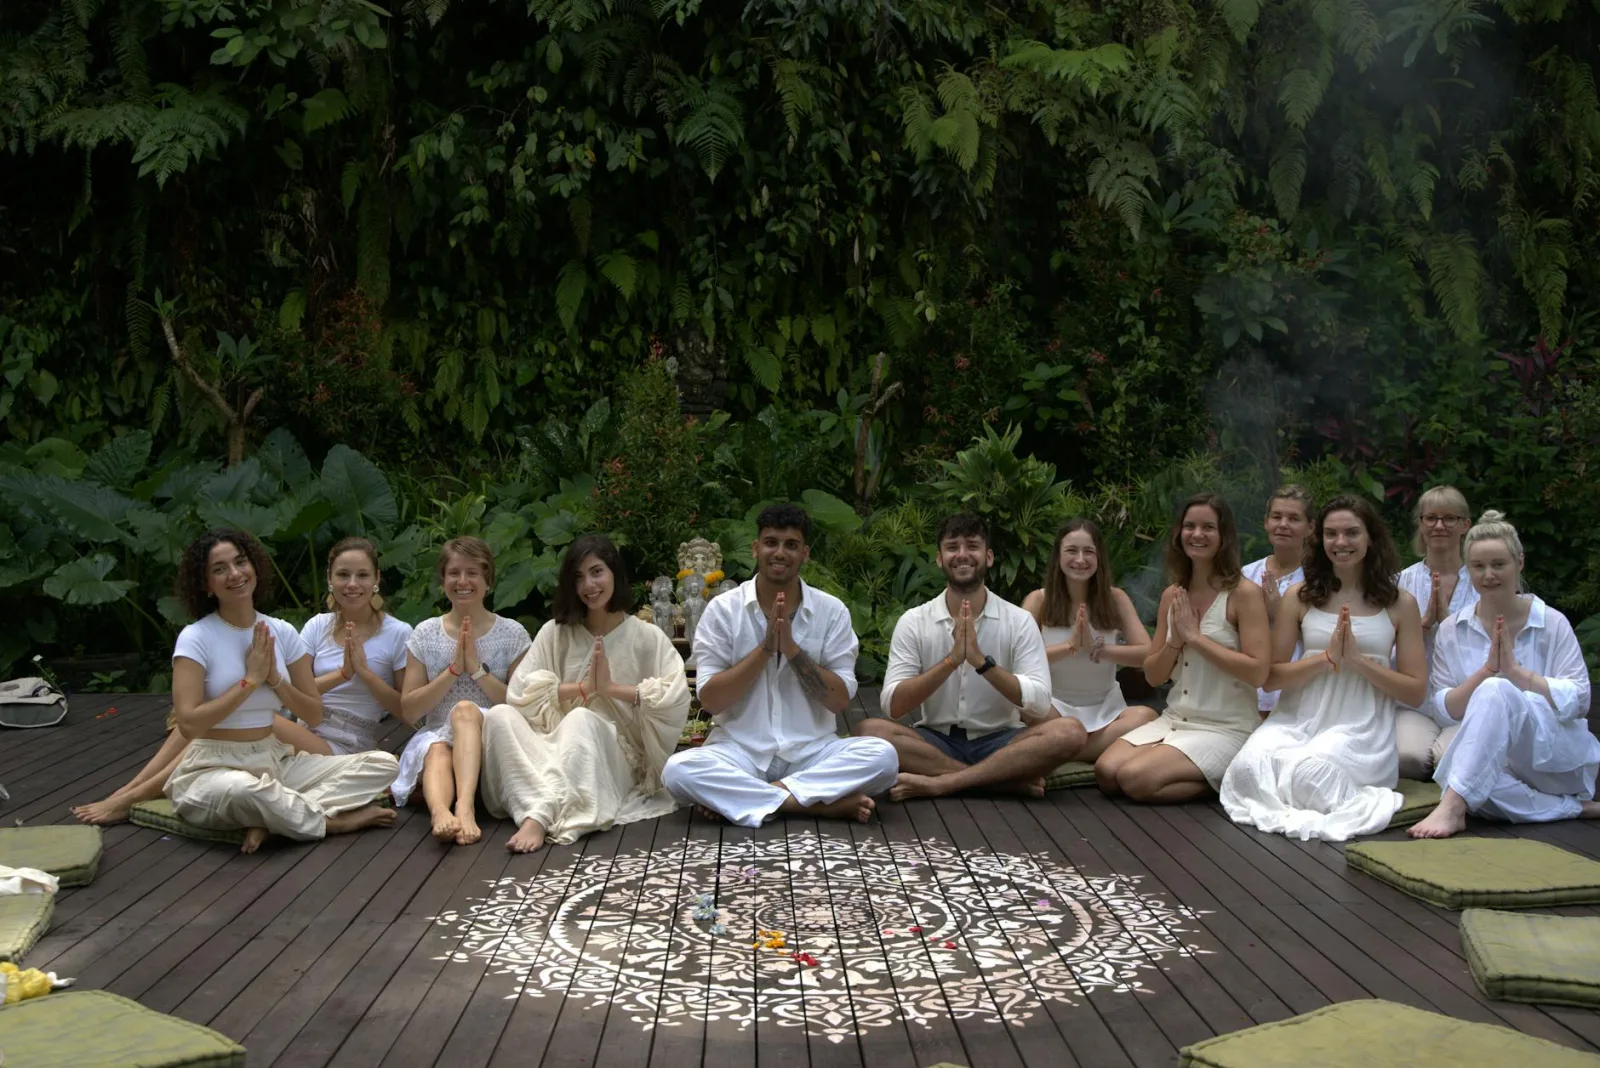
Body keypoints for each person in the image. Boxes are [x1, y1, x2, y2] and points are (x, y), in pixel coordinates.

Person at [158, 529, 398, 853]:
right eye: (219, 569)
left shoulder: (282, 632)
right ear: (206, 585)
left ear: (254, 567)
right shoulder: (196, 637)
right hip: (213, 768)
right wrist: (249, 681)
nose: (234, 574)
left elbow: (312, 712)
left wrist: (274, 680)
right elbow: (188, 724)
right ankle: (327, 821)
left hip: (274, 759)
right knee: (245, 791)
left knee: (383, 765)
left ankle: (275, 817)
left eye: (240, 562)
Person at [660, 503, 897, 826]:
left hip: (812, 752)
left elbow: (840, 700)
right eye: (771, 542)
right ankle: (809, 804)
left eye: (791, 545)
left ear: (805, 554)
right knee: (677, 772)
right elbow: (712, 701)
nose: (780, 553)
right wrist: (765, 649)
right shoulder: (723, 611)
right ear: (757, 549)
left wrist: (792, 650)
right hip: (739, 751)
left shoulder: (831, 612)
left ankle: (758, 797)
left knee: (883, 758)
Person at [1220, 496, 1428, 841]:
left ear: (1370, 538)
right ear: (1320, 540)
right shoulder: (1299, 596)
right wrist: (1325, 659)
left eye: (1351, 533)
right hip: (1297, 717)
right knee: (1246, 768)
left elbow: (1415, 691)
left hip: (1359, 727)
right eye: (1331, 534)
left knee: (1311, 773)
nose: (1341, 543)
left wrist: (1359, 662)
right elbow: (1270, 678)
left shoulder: (1399, 602)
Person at [478, 535, 691, 853]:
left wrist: (610, 690)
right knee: (498, 716)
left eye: (596, 572)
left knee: (581, 719)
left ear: (614, 574)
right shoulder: (555, 633)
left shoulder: (646, 637)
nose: (589, 584)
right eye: (578, 577)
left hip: (611, 759)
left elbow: (674, 697)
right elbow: (520, 692)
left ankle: (537, 814)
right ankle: (543, 803)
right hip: (551, 742)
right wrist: (582, 689)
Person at [856, 514, 1086, 800]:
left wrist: (982, 663)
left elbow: (1039, 704)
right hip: (935, 740)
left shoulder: (1019, 620)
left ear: (988, 557)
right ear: (940, 559)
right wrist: (951, 661)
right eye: (952, 547)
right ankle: (994, 782)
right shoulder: (914, 621)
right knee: (870, 730)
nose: (962, 555)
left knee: (1069, 732)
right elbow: (893, 706)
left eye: (972, 546)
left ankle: (943, 782)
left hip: (1002, 740)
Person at [1409, 511, 1600, 837]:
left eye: (1499, 565)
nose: (1489, 575)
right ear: (1468, 570)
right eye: (1479, 566)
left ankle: (1453, 806)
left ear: (1519, 563)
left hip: (1554, 760)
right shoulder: (1452, 630)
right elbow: (1443, 710)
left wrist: (1514, 674)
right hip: (1495, 765)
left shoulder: (1551, 622)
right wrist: (1486, 671)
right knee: (1470, 778)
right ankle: (1575, 809)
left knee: (1495, 691)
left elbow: (1580, 699)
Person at [1095, 493, 1270, 802]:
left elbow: (1258, 673)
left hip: (1225, 727)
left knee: (1135, 779)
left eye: (1208, 527)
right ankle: (1187, 769)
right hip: (1175, 719)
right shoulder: (1173, 596)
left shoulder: (1243, 594)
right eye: (1189, 526)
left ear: (1223, 535)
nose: (1197, 534)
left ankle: (1225, 778)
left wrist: (1196, 638)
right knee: (1107, 773)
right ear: (1179, 534)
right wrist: (1175, 642)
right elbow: (1152, 675)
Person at [394, 537, 531, 845]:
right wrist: (453, 670)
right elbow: (410, 710)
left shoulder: (513, 634)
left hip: (493, 737)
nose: (463, 581)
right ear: (443, 579)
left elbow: (521, 705)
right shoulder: (425, 634)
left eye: (472, 573)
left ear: (487, 580)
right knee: (437, 746)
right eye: (454, 573)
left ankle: (464, 806)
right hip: (437, 736)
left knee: (466, 711)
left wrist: (477, 669)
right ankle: (441, 813)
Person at [1020, 518, 1158, 760]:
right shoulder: (1039, 600)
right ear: (1058, 556)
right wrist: (1069, 647)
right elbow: (1020, 662)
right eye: (1071, 551)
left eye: (1088, 552)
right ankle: (1090, 749)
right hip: (1054, 707)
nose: (1080, 560)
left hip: (1107, 708)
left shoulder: (1115, 598)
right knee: (1027, 708)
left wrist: (1098, 649)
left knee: (1146, 718)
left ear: (1099, 558)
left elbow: (1147, 654)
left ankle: (1067, 750)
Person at [1393, 485, 1481, 779]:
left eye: (1449, 518)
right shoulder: (1399, 583)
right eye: (1430, 518)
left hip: (1467, 702)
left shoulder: (1484, 580)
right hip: (1415, 704)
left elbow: (1495, 646)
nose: (1439, 526)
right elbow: (1383, 649)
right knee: (1408, 760)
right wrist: (1417, 628)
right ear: (1420, 524)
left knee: (1452, 758)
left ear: (1465, 525)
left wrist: (1450, 628)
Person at [299, 537, 413, 755]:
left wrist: (365, 674)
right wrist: (342, 674)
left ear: (376, 579)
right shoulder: (317, 626)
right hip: (307, 729)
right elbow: (294, 693)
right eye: (343, 574)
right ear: (329, 578)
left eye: (362, 575)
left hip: (351, 739)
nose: (352, 584)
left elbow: (407, 712)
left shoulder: (398, 633)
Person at [1241, 485, 1314, 716]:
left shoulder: (1320, 579)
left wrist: (1281, 613)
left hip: (1300, 690)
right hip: (1248, 690)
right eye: (1277, 517)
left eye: (1294, 518)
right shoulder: (1247, 575)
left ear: (1310, 527)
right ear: (1266, 522)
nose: (1283, 524)